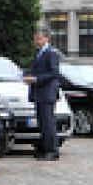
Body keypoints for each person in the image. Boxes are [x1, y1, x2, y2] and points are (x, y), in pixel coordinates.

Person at [24, 28, 62, 160]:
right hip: (39, 93)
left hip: (47, 94)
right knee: (42, 123)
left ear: (46, 39)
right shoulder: (39, 53)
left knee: (48, 123)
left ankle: (52, 150)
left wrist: (36, 79)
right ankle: (45, 149)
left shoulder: (51, 53)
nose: (36, 41)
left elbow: (54, 73)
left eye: (39, 39)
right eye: (35, 39)